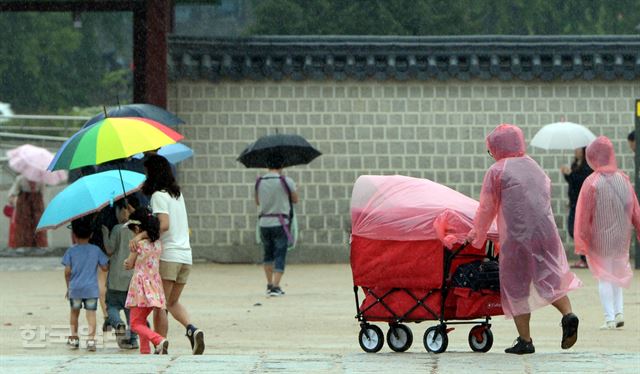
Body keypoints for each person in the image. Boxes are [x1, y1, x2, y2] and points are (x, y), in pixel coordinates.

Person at [466, 124, 582, 355]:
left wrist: (476, 236)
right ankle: (568, 315)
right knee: (548, 277)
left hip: (517, 238)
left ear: (497, 147)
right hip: (545, 233)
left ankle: (525, 340)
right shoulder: (534, 166)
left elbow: (486, 209)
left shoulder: (498, 171)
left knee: (516, 286)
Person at [134, 154, 204, 354]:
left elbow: (164, 225)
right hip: (185, 257)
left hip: (169, 256)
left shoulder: (158, 196)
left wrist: (141, 236)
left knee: (160, 305)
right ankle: (192, 329)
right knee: (172, 302)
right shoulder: (176, 194)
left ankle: (160, 344)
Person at [574, 136, 639, 330]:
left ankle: (609, 318)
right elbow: (634, 208)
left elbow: (584, 215)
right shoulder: (624, 179)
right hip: (621, 237)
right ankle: (619, 312)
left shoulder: (592, 183)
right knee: (617, 274)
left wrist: (583, 238)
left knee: (604, 277)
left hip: (600, 238)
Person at [124, 207, 168, 354]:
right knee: (141, 321)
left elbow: (129, 264)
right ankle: (145, 351)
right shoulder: (157, 244)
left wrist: (126, 262)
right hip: (154, 288)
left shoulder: (138, 245)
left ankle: (158, 339)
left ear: (137, 228)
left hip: (140, 290)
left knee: (135, 323)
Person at [62, 216, 109, 352]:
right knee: (91, 315)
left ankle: (74, 338)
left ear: (74, 235)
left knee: (74, 313)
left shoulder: (71, 251)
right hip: (91, 290)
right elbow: (105, 267)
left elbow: (67, 272)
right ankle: (91, 341)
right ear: (92, 234)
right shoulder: (95, 250)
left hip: (75, 289)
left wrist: (68, 288)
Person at [255, 154, 298, 296]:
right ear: (281, 166)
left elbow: (257, 202)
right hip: (281, 223)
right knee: (280, 254)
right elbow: (295, 199)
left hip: (264, 223)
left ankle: (268, 284)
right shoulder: (286, 181)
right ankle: (276, 285)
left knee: (268, 254)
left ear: (267, 166)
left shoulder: (259, 181)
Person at [102, 196, 139, 349]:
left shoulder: (117, 229)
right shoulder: (139, 231)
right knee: (131, 311)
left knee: (111, 306)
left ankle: (118, 323)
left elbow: (110, 250)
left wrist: (105, 232)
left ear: (123, 210)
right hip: (131, 279)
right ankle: (133, 339)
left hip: (116, 279)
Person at [560, 147, 593, 269]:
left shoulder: (587, 166)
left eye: (578, 149)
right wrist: (566, 175)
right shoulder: (575, 164)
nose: (576, 151)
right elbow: (572, 182)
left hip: (583, 202)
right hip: (574, 202)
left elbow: (582, 182)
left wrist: (571, 174)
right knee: (572, 229)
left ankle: (586, 259)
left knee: (581, 232)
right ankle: (584, 258)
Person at [7, 174, 47, 248]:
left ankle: (38, 244)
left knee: (37, 223)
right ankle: (23, 244)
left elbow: (42, 192)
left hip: (36, 204)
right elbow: (13, 192)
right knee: (24, 224)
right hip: (24, 204)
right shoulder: (20, 179)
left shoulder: (40, 179)